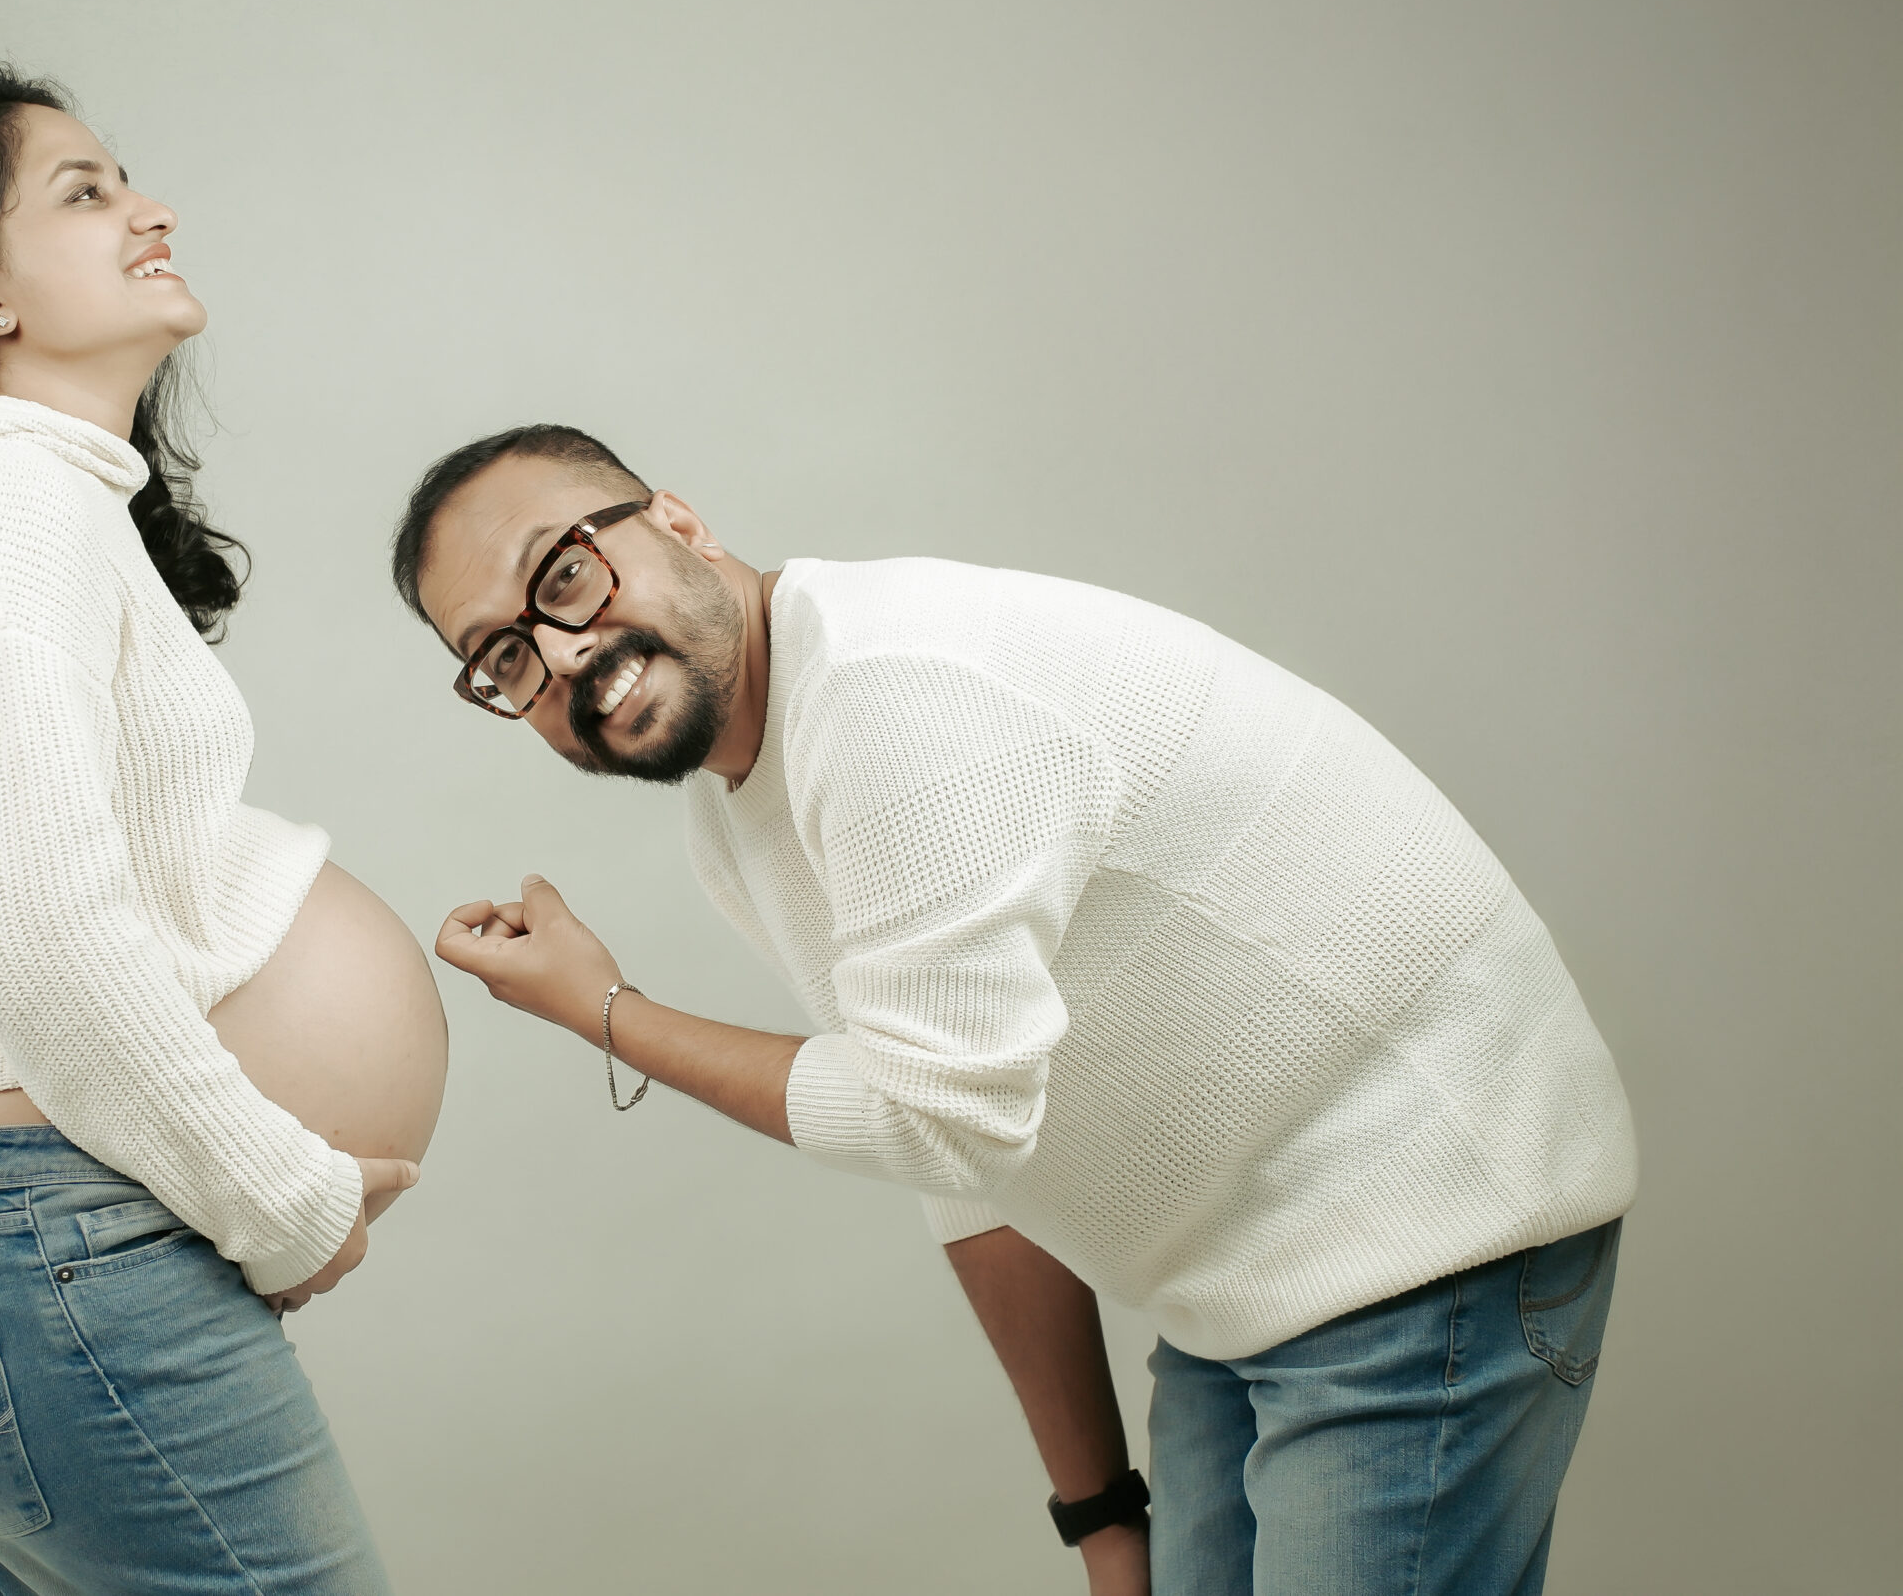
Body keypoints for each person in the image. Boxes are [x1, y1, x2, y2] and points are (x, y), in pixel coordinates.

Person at [396, 424, 1635, 1596]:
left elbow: (942, 1119)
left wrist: (608, 1011)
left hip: (1420, 1226)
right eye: (502, 656)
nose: (561, 655)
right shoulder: (738, 813)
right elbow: (969, 1161)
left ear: (677, 522)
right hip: (1238, 1282)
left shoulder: (888, 696)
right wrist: (1101, 1519)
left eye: (565, 575)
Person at [0, 68, 447, 1596]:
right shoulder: (2, 499)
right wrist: (281, 1197)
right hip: (50, 1247)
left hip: (9, 1242)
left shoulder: (15, 502)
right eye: (84, 190)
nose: (150, 209)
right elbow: (38, 938)